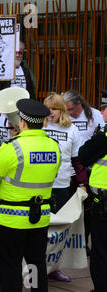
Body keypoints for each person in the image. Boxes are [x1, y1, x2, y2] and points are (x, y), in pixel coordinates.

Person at [0, 99, 61, 292]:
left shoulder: (11, 148)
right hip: (41, 217)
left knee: (10, 266)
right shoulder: (54, 146)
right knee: (36, 262)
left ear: (22, 122)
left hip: (10, 219)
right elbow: (53, 176)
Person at [42, 92, 89, 282]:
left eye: (54, 108)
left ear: (62, 109)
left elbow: (77, 161)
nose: (50, 111)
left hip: (62, 185)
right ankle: (36, 267)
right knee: (40, 230)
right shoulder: (40, 126)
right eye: (47, 108)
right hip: (40, 186)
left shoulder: (72, 130)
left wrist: (84, 183)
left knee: (58, 232)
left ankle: (53, 268)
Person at [62, 89, 105, 255]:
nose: (69, 113)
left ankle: (85, 242)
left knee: (88, 209)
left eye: (71, 109)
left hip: (90, 167)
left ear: (79, 104)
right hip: (71, 166)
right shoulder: (65, 117)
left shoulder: (95, 115)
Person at [78, 90, 107, 292]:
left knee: (101, 252)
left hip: (104, 205)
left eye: (105, 108)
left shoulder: (103, 137)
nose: (102, 112)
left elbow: (84, 155)